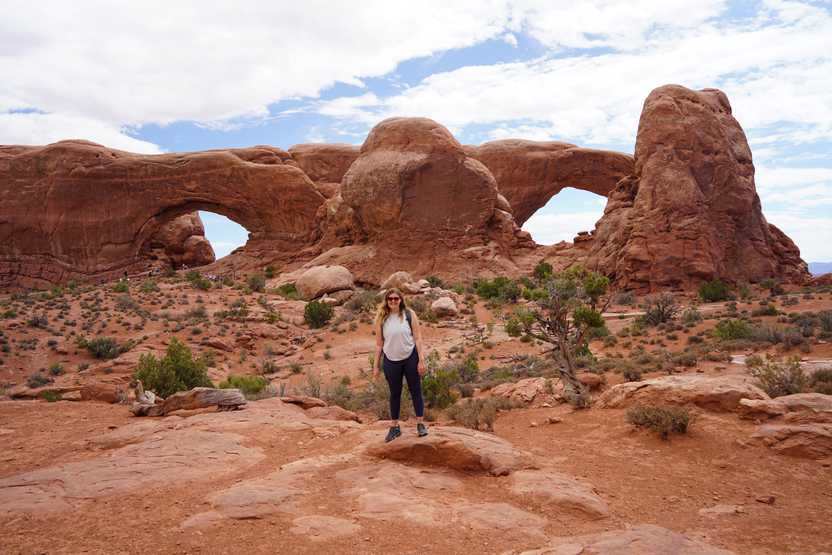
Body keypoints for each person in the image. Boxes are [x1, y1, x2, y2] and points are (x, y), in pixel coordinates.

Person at [373, 287, 428, 442]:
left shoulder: (409, 315)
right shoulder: (382, 319)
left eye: (396, 298)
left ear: (401, 300)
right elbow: (379, 344)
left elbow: (417, 338)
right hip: (391, 360)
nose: (393, 301)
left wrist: (421, 360)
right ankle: (395, 427)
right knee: (395, 394)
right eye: (390, 299)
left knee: (415, 390)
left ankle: (420, 424)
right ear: (386, 300)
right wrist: (376, 366)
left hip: (410, 357)